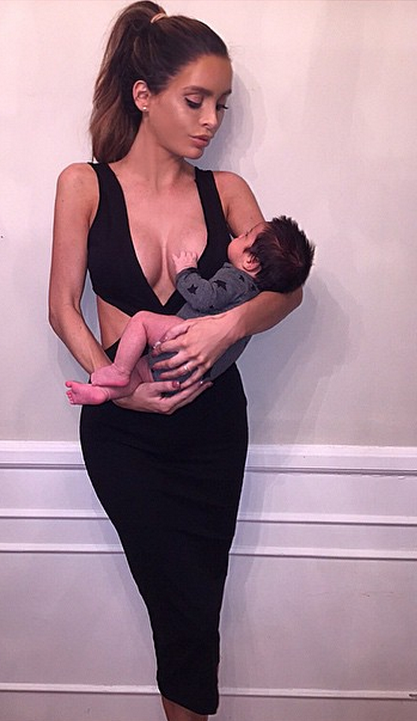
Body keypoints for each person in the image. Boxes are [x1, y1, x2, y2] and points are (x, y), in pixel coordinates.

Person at [48, 2, 303, 719]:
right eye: (195, 101)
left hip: (211, 431)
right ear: (143, 95)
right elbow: (63, 307)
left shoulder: (227, 192)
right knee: (177, 598)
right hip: (124, 431)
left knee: (197, 603)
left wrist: (227, 329)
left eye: (221, 105)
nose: (211, 120)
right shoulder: (83, 184)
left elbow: (286, 289)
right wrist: (116, 388)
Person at [65, 216, 314, 405]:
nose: (239, 235)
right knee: (143, 372)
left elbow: (204, 297)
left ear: (250, 261)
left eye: (246, 235)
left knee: (142, 322)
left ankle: (118, 370)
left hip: (183, 337)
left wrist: (186, 271)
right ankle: (104, 393)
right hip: (198, 375)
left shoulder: (235, 279)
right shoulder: (256, 294)